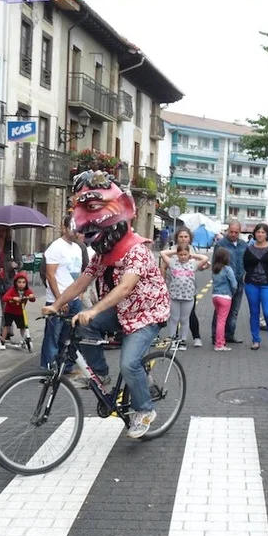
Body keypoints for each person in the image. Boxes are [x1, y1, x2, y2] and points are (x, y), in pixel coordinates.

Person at [43, 170, 170, 439]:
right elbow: (81, 282)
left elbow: (125, 287)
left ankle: (145, 410)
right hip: (121, 311)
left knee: (129, 364)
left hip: (146, 314)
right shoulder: (102, 255)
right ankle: (100, 374)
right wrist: (57, 304)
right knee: (81, 326)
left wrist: (94, 309)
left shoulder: (137, 250)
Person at [40, 215, 88, 373]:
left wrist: (80, 293)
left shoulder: (78, 248)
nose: (75, 232)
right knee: (53, 336)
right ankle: (49, 368)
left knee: (69, 336)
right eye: (72, 228)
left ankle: (65, 367)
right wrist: (59, 300)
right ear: (64, 228)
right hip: (58, 298)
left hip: (74, 298)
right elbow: (50, 275)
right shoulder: (56, 247)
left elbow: (80, 272)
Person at [160, 227, 206, 347]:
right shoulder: (171, 250)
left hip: (189, 289)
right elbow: (163, 266)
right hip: (173, 287)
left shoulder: (193, 250)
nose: (183, 239)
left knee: (190, 315)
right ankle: (173, 338)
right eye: (181, 236)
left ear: (190, 238)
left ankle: (195, 337)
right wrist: (162, 283)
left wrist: (202, 265)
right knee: (174, 317)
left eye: (186, 236)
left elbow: (200, 266)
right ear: (177, 238)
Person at [243, 223, 268, 351]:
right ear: (254, 233)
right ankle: (255, 340)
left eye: (263, 232)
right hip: (251, 284)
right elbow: (245, 264)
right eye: (258, 232)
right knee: (254, 313)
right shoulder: (249, 249)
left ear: (267, 234)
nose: (260, 234)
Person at [212, 221, 246, 344]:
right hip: (224, 285)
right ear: (227, 230)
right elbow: (215, 263)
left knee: (234, 311)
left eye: (236, 232)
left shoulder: (244, 245)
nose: (233, 234)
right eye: (231, 231)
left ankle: (229, 335)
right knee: (220, 312)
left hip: (239, 282)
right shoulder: (220, 244)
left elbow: (246, 261)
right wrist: (216, 281)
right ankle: (216, 336)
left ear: (239, 232)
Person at [0, 272, 36, 351]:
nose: (21, 284)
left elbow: (33, 299)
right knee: (7, 326)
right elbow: (4, 298)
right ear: (16, 283)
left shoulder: (27, 291)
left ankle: (24, 339)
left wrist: (31, 296)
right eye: (19, 282)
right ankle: (2, 341)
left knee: (22, 327)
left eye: (23, 282)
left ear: (26, 283)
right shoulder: (12, 290)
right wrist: (13, 298)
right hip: (9, 311)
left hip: (20, 312)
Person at [211, 247, 238, 352]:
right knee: (222, 321)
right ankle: (219, 344)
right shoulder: (227, 269)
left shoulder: (215, 269)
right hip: (225, 296)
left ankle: (221, 341)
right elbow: (234, 284)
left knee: (219, 319)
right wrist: (233, 293)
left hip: (215, 296)